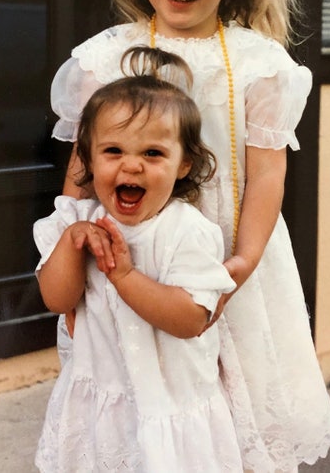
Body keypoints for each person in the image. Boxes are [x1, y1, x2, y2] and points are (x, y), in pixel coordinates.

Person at [49, 0, 330, 471]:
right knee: (140, 397)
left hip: (228, 251)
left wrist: (244, 260)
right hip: (132, 247)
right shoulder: (107, 57)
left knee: (232, 403)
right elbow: (80, 164)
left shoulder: (260, 64)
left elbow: (266, 174)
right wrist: (69, 252)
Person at [34, 46, 250, 472]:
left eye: (152, 154)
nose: (131, 166)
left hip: (168, 399)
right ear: (90, 160)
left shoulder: (185, 231)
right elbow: (57, 299)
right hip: (101, 397)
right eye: (113, 151)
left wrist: (125, 275)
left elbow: (191, 319)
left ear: (183, 164)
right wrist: (72, 244)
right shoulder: (79, 219)